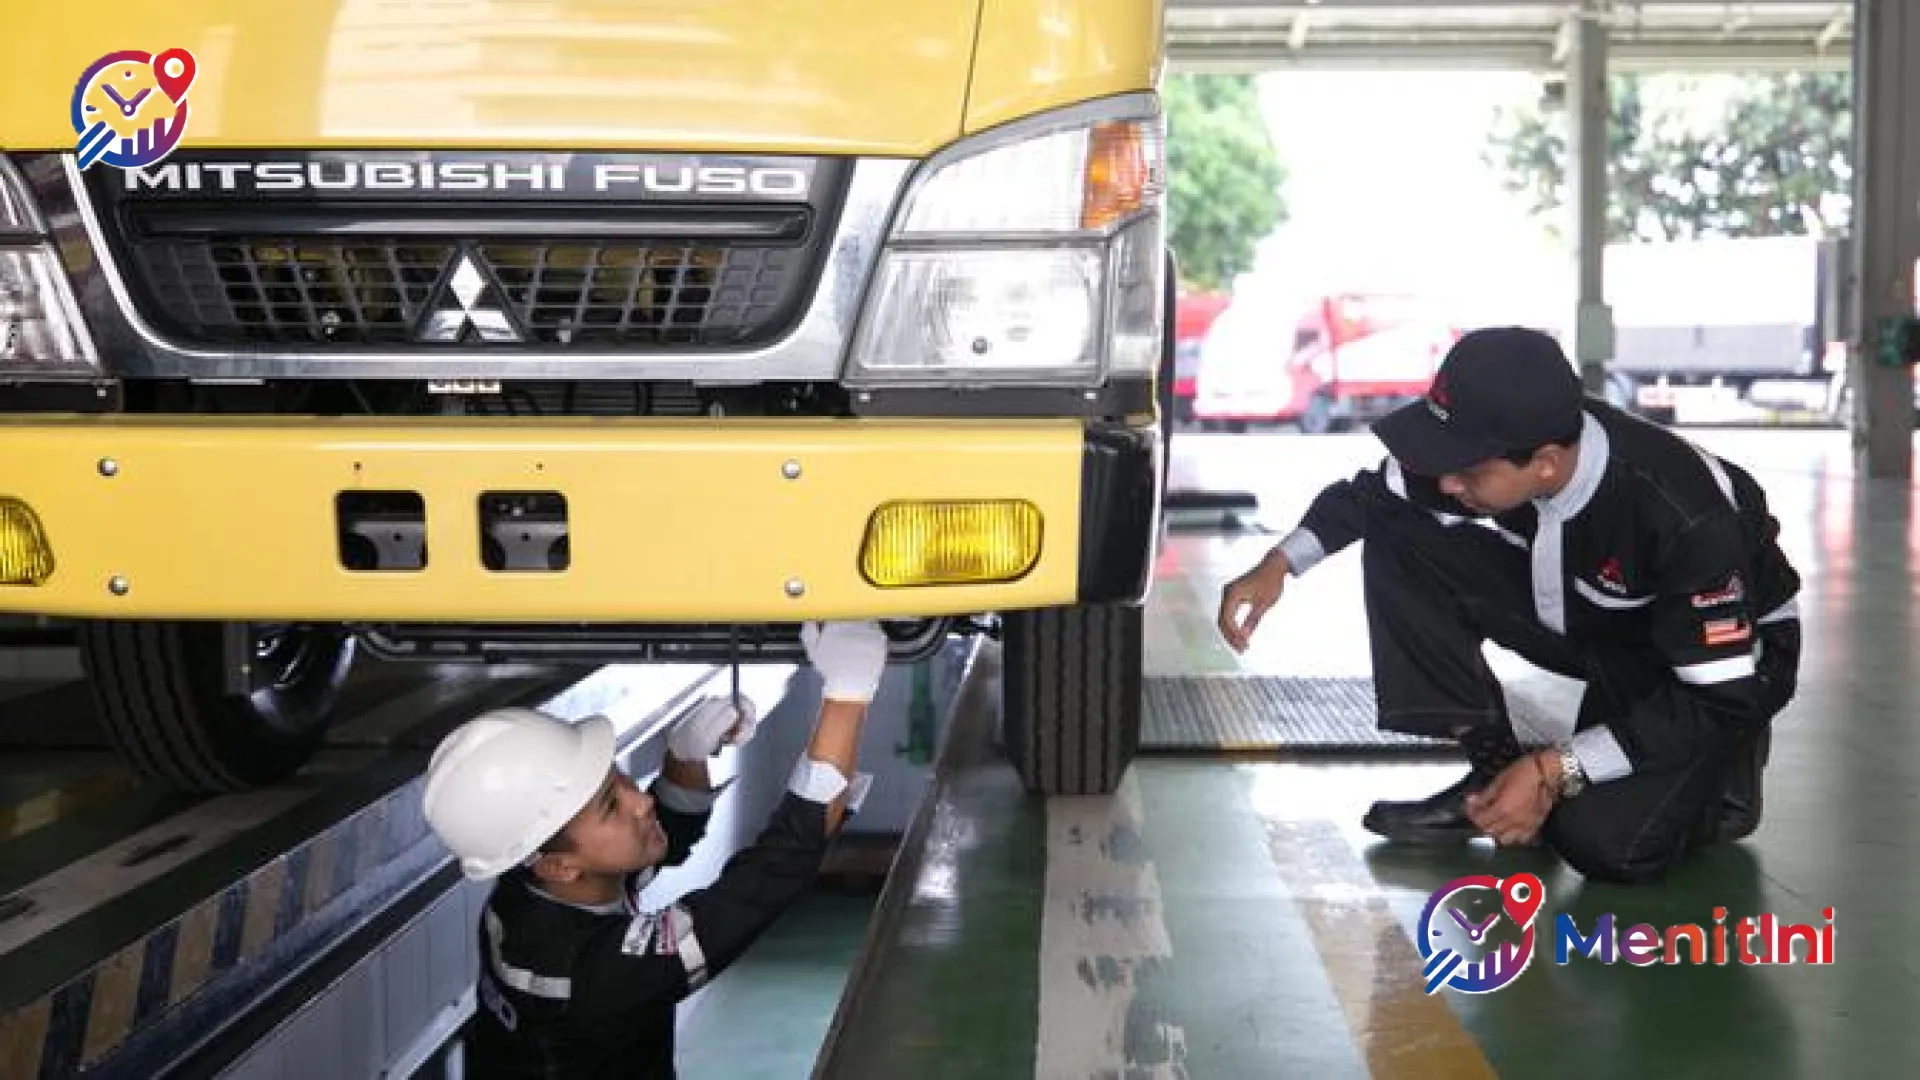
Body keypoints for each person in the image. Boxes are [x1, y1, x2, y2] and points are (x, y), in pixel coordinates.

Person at [1216, 327, 1802, 885]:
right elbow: (1371, 497)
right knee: (1400, 539)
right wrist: (1277, 566)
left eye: (1467, 470)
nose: (1447, 484)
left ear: (1545, 463)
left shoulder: (1681, 515)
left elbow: (1718, 696)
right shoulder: (1496, 450)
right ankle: (1495, 778)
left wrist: (1555, 768)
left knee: (1601, 842)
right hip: (1602, 623)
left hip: (1716, 669)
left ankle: (1721, 784)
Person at [420, 619, 890, 1079]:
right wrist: (848, 693)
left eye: (618, 779)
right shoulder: (592, 978)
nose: (640, 799)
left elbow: (653, 845)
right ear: (559, 865)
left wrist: (684, 758)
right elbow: (773, 872)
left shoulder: (531, 888)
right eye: (610, 805)